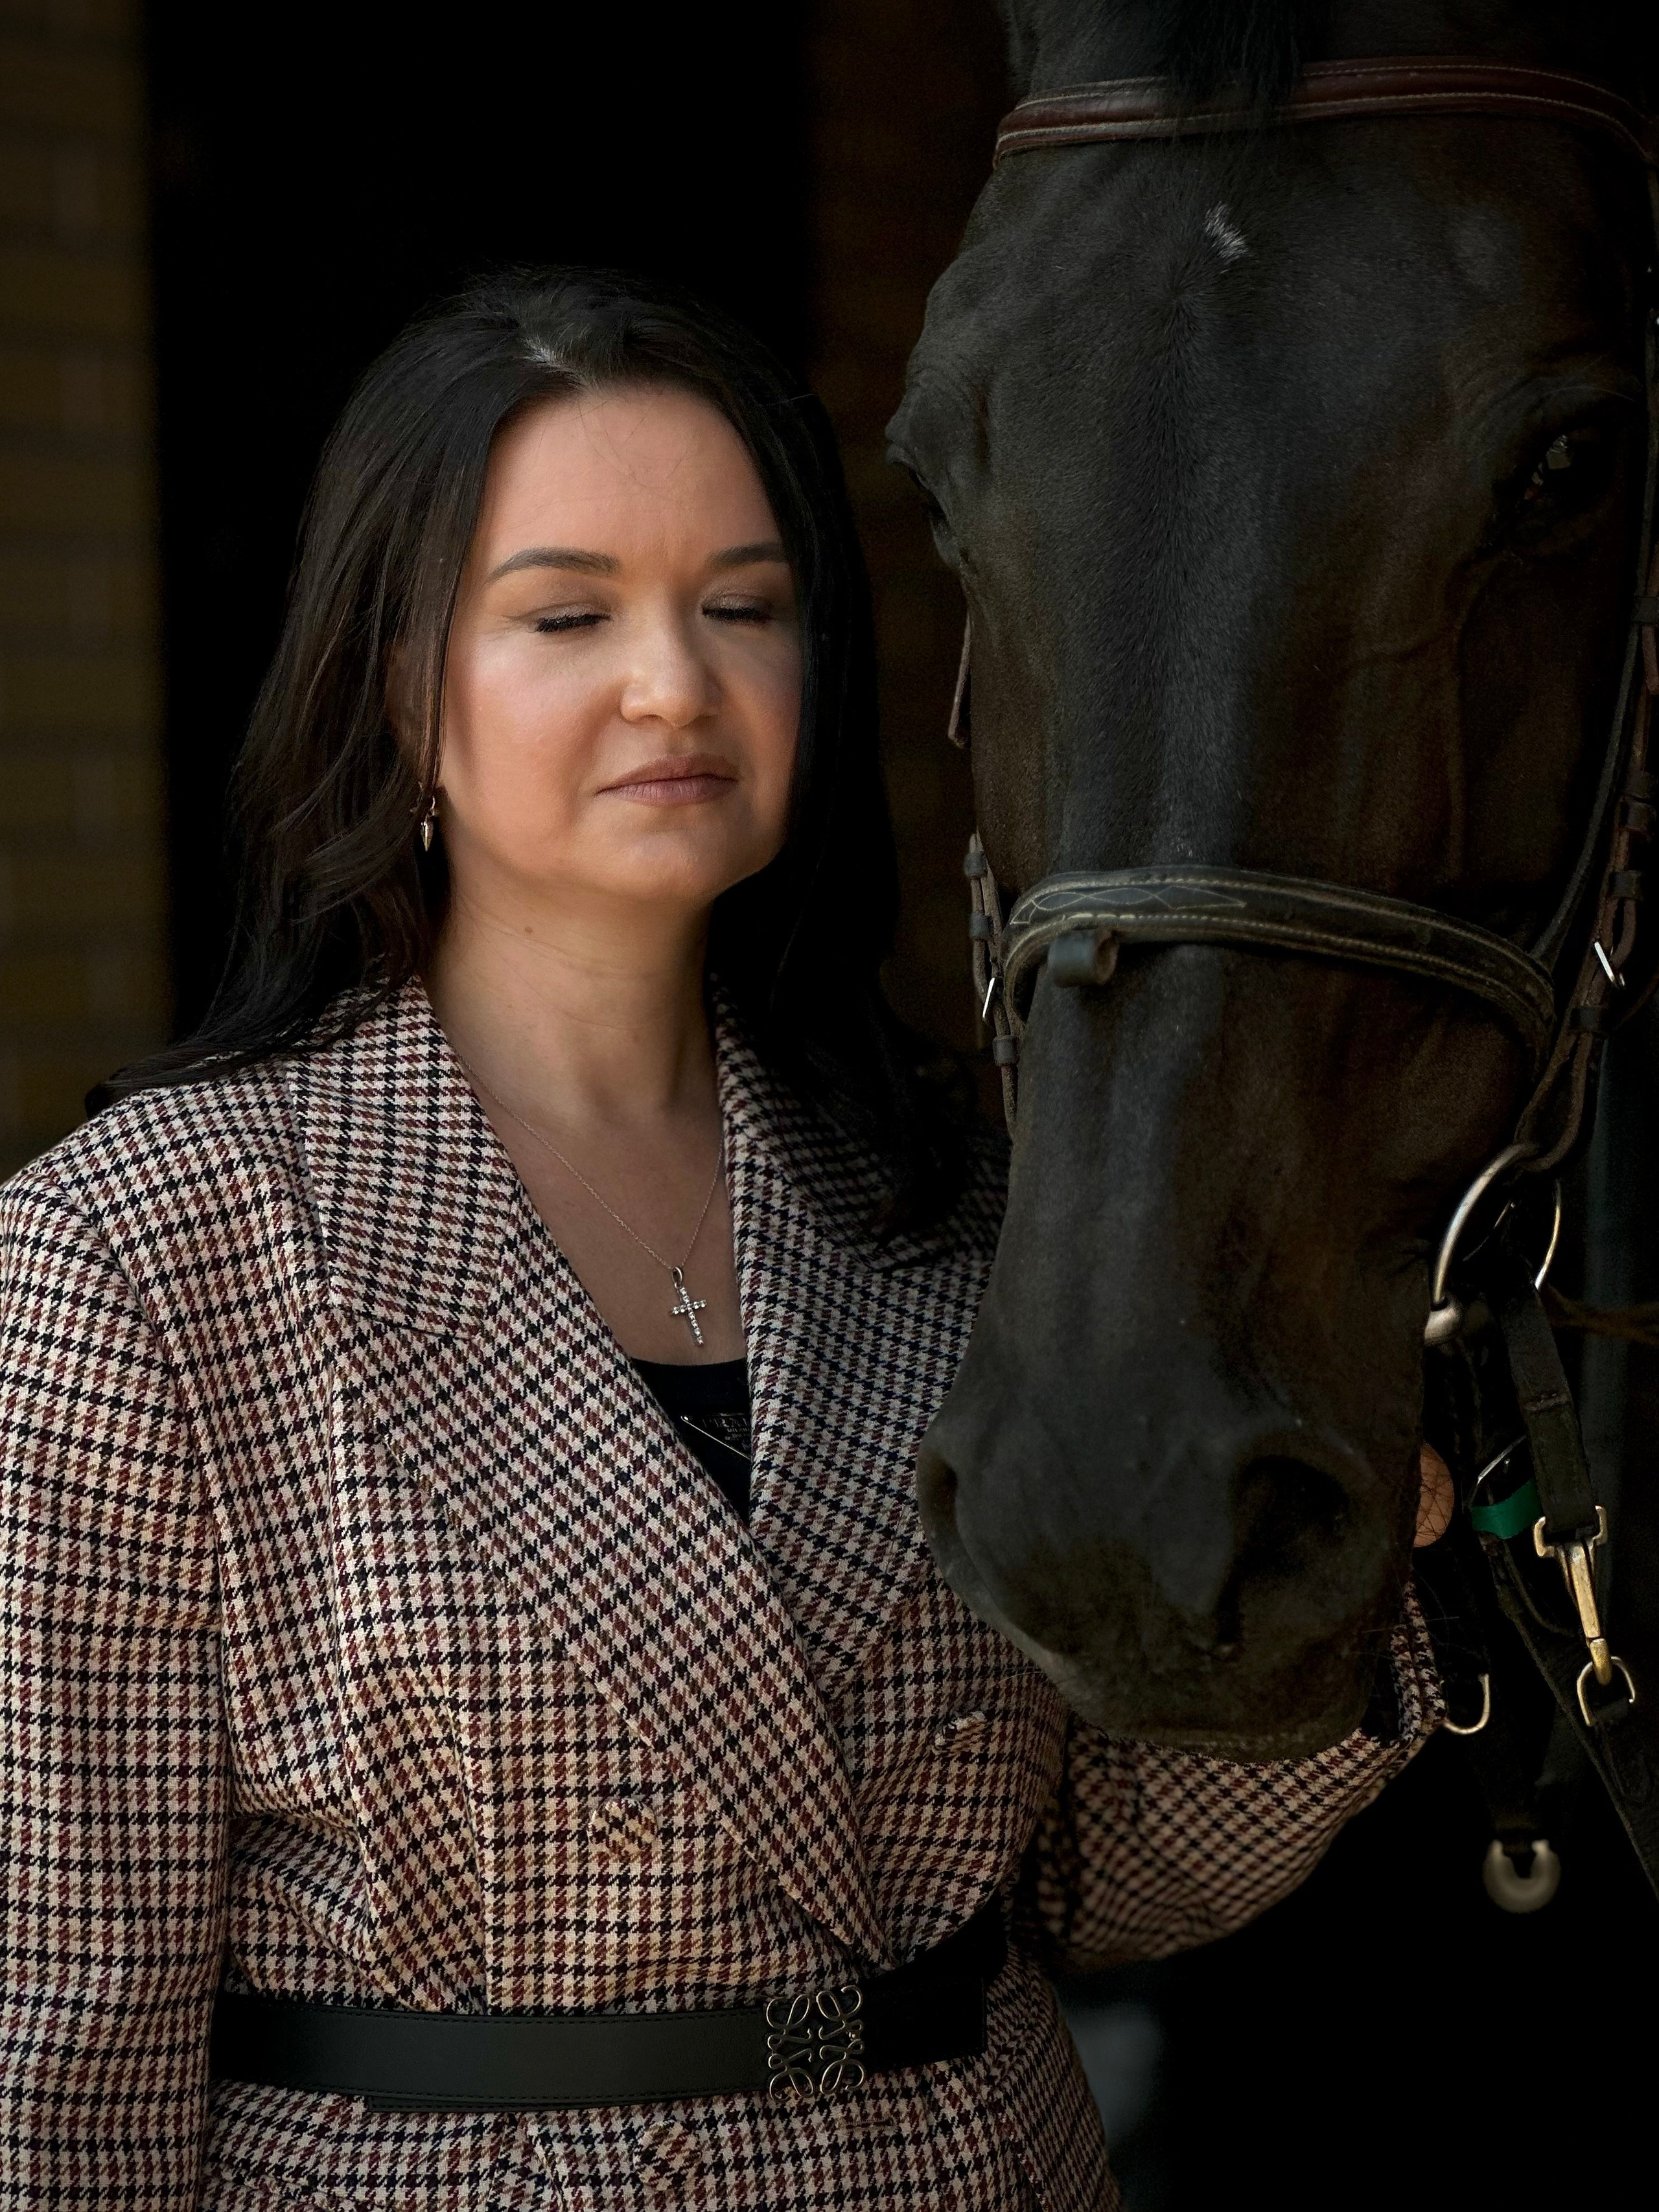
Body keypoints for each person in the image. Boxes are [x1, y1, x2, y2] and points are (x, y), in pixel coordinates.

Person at [0, 268, 1447, 2211]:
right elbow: (60, 2056)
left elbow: (1113, 1878)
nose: (674, 681)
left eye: (743, 608)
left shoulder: (967, 1200)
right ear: (393, 683)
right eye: (567, 613)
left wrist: (1366, 1560)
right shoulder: (136, 1259)